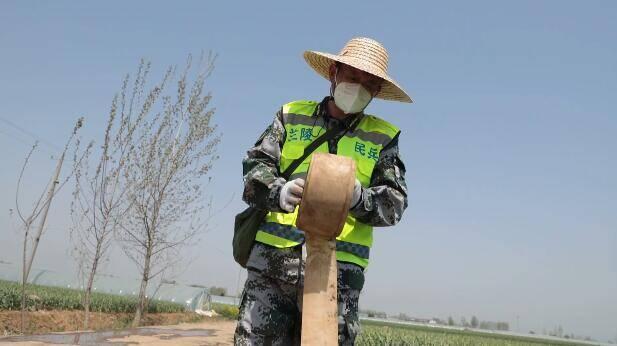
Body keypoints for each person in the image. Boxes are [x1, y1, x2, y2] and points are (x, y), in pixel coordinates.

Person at [234, 37, 412, 345]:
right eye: (353, 76)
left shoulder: (383, 137)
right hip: (273, 268)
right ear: (334, 72)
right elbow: (254, 170)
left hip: (338, 277)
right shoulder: (291, 116)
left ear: (378, 91)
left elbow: (394, 204)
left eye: (369, 84)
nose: (358, 87)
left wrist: (360, 199)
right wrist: (278, 191)